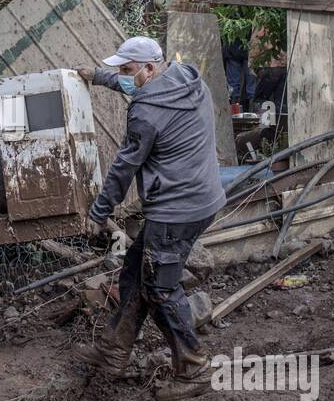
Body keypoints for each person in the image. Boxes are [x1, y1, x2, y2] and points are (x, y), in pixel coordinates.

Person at [74, 36, 227, 382]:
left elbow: (124, 167)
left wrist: (99, 213)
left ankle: (195, 369)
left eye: (129, 70)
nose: (126, 77)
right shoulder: (187, 78)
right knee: (133, 269)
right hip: (202, 199)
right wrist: (99, 76)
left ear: (149, 68)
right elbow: (134, 85)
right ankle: (114, 350)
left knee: (159, 287)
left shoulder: (145, 112)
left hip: (177, 210)